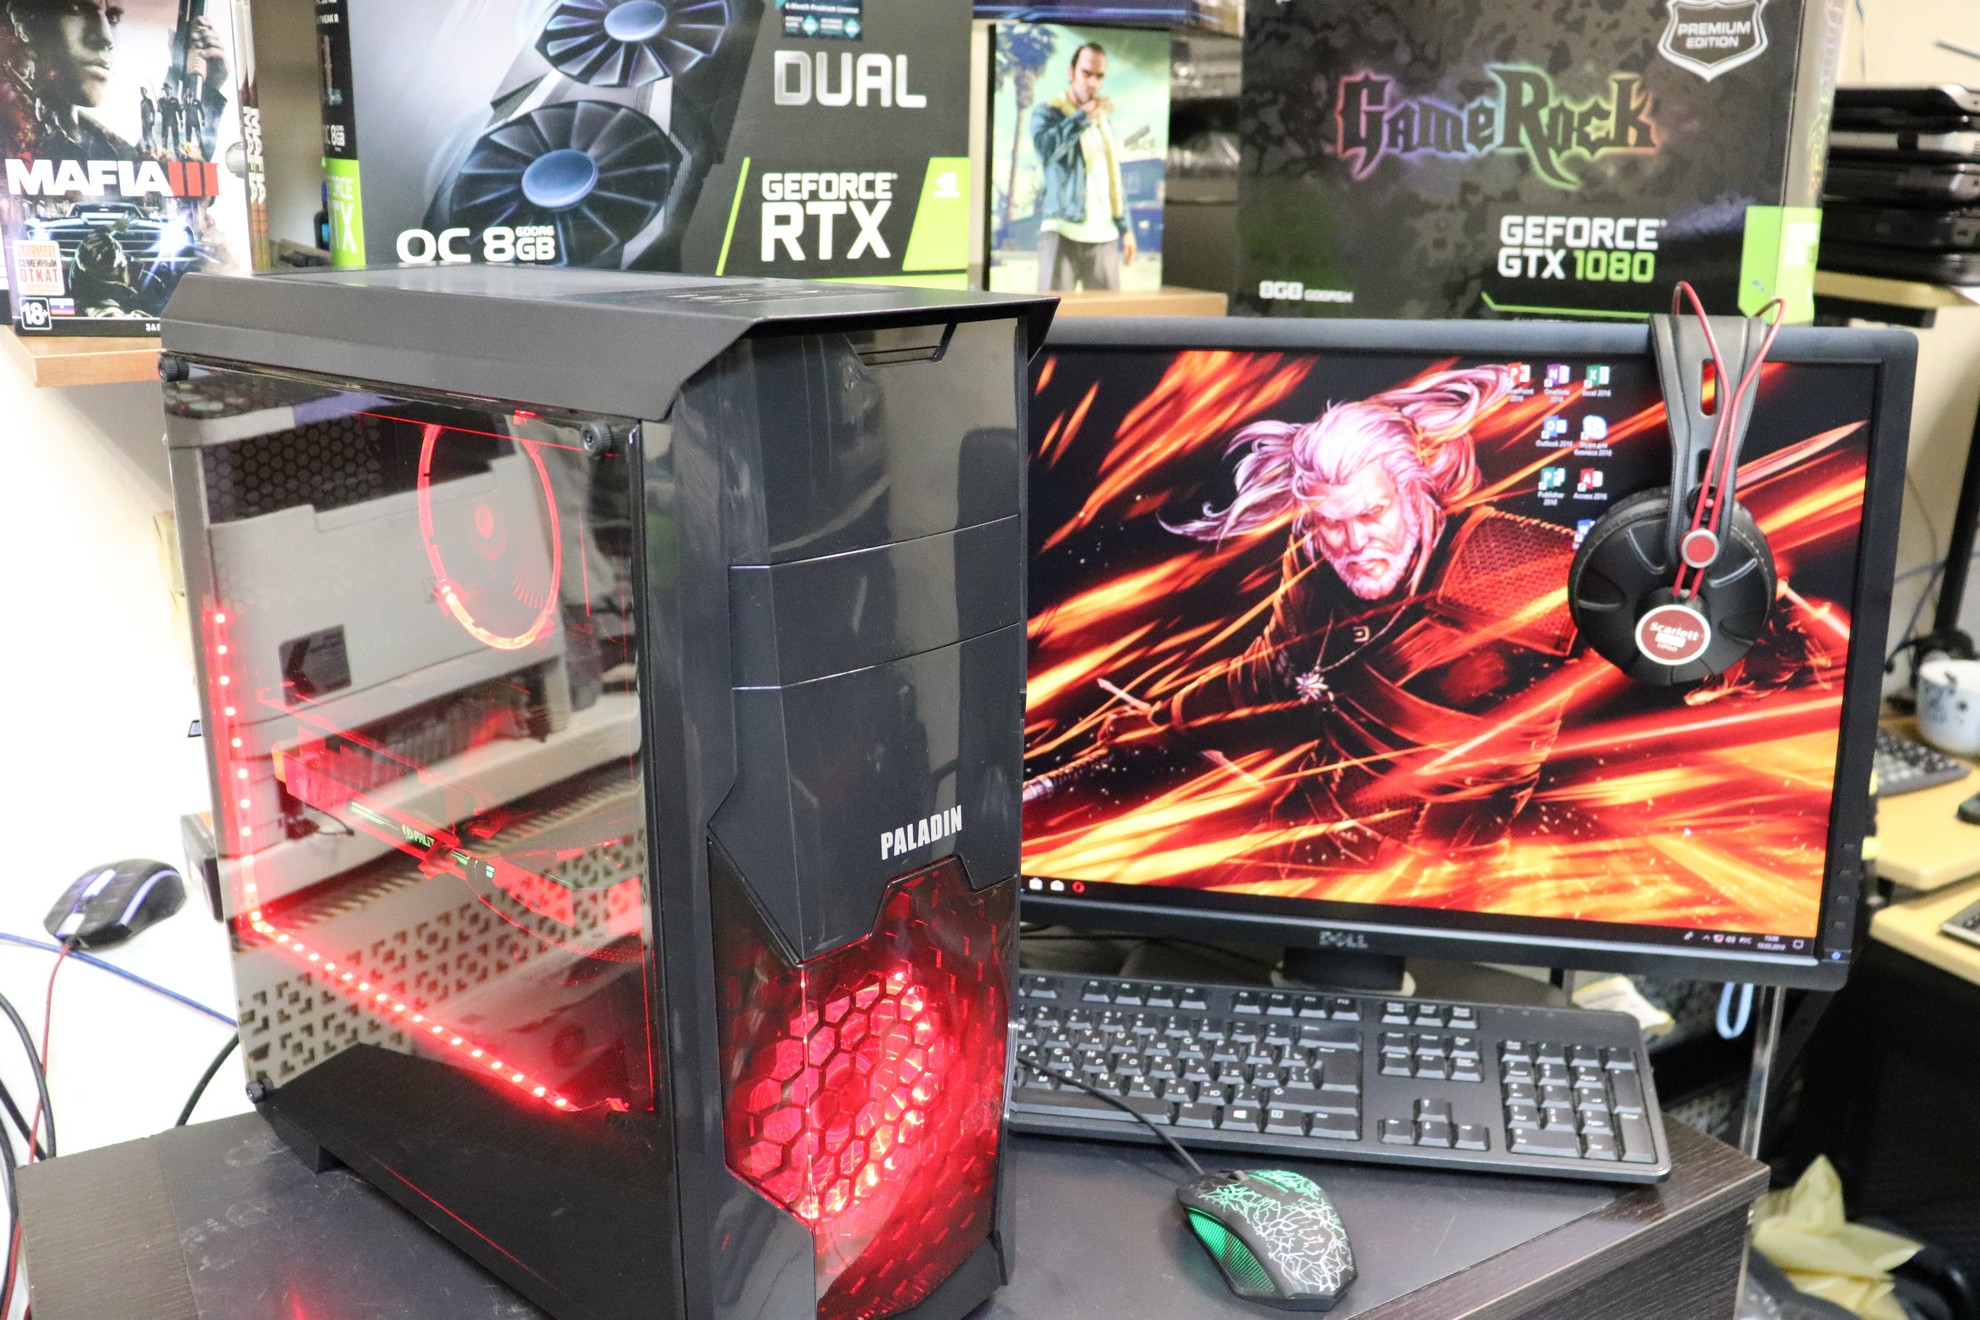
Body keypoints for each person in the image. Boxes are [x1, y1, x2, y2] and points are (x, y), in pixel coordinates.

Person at [1120, 367, 1583, 872]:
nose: (1355, 543)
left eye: (1371, 514)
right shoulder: (1316, 564)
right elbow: (1271, 673)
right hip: (1307, 845)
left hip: (1449, 879)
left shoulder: (1516, 560)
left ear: (1413, 493)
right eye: (1331, 523)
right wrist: (1168, 721)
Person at [1029, 42, 1136, 293]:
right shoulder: (1049, 111)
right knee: (1052, 316)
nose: (1092, 83)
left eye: (1099, 76)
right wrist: (1082, 116)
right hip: (1062, 231)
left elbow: (1112, 178)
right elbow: (1046, 150)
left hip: (1104, 237)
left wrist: (1126, 229)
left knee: (1109, 317)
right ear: (1071, 72)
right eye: (1086, 73)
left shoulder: (1103, 121)